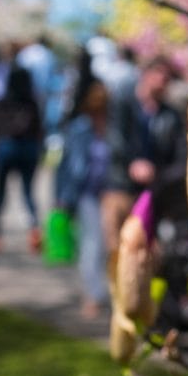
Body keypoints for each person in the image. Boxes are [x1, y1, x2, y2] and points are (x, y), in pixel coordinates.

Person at [57, 77, 117, 318]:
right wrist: (61, 197)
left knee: (110, 245)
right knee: (92, 245)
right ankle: (94, 294)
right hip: (88, 194)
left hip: (113, 193)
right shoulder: (79, 129)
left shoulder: (115, 127)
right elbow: (65, 166)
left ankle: (114, 292)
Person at [112, 58, 188, 241]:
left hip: (155, 192)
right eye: (159, 75)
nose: (163, 81)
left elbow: (180, 156)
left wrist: (158, 174)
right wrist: (133, 163)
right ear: (145, 75)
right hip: (122, 187)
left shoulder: (171, 116)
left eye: (167, 78)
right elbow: (114, 141)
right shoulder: (123, 105)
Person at [0, 65, 47, 253]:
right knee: (28, 192)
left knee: (0, 193)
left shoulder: (1, 103)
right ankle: (34, 231)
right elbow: (39, 129)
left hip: (7, 147)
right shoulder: (32, 103)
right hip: (28, 148)